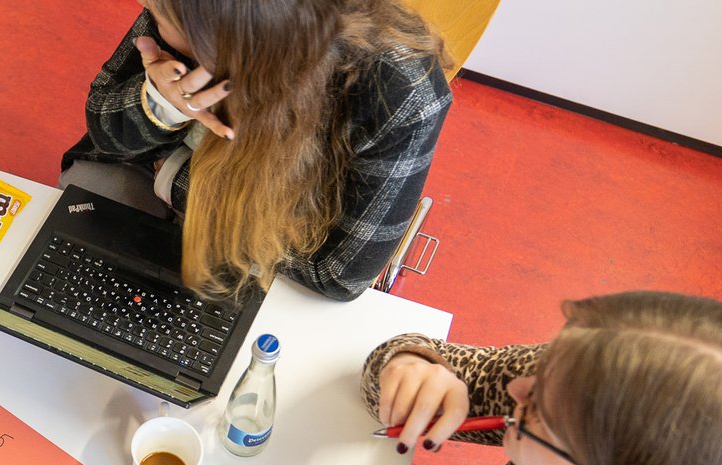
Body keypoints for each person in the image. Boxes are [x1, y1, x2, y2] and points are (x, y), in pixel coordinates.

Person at [61, 0, 453, 301]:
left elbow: (340, 275)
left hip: (277, 231)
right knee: (77, 265)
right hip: (150, 173)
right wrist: (159, 105)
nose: (147, 13)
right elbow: (106, 131)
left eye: (160, 17)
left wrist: (173, 175)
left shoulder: (403, 93)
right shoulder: (193, 9)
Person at [363, 291, 722, 465]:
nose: (515, 390)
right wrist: (410, 365)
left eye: (539, 409)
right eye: (543, 366)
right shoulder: (579, 385)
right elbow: (478, 372)